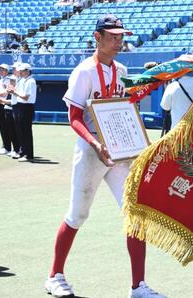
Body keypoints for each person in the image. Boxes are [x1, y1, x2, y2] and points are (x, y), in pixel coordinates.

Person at [44, 14, 165, 298]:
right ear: (97, 37)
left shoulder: (121, 68)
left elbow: (124, 104)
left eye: (121, 36)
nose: (118, 41)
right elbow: (73, 117)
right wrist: (94, 143)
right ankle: (54, 276)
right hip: (92, 150)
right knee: (77, 214)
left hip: (120, 151)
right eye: (113, 36)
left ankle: (139, 286)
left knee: (136, 215)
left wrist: (151, 85)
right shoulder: (84, 71)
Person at [7, 63, 36, 162]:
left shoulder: (31, 81)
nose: (21, 72)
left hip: (26, 107)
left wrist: (14, 92)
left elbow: (26, 97)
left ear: (28, 71)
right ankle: (23, 152)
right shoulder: (23, 80)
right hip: (21, 106)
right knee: (20, 131)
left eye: (22, 71)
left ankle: (28, 154)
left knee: (26, 131)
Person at [0, 64, 12, 155]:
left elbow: (5, 94)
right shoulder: (0, 80)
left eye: (3, 69)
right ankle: (5, 146)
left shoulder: (8, 80)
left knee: (5, 127)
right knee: (1, 126)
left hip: (3, 105)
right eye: (0, 69)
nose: (0, 71)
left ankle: (7, 147)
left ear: (7, 71)